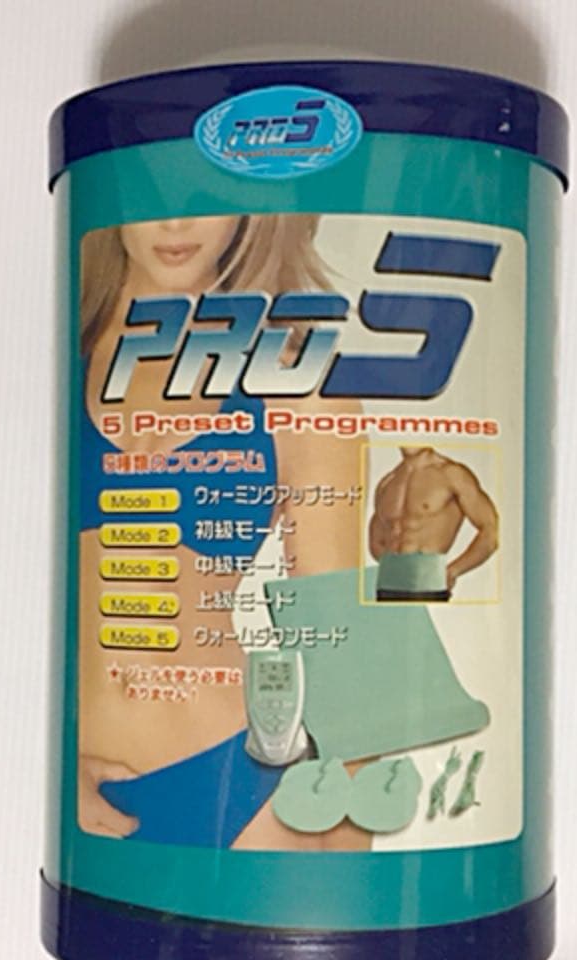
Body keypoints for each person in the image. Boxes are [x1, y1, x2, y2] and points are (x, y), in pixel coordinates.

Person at [78, 213, 369, 851]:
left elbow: (338, 641)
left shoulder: (297, 382)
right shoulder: (55, 357)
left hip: (238, 785)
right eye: (158, 194)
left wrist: (347, 852)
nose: (176, 221)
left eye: (204, 198)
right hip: (77, 788)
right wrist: (46, 765)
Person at [369, 446, 499, 601]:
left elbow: (491, 531)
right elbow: (376, 540)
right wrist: (395, 567)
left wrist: (453, 571)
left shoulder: (452, 474)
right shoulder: (387, 482)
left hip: (429, 584)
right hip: (387, 586)